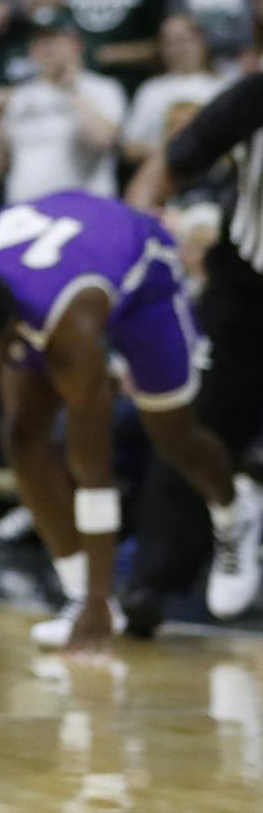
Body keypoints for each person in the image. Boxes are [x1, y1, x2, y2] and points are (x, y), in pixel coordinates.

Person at [0, 191, 257, 651]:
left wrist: (101, 595)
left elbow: (94, 470)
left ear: (9, 333)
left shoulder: (73, 325)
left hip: (141, 274)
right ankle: (77, 594)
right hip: (53, 259)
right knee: (21, 436)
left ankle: (235, 511)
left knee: (173, 436)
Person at [125, 74, 263, 627]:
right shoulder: (254, 95)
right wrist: (135, 227)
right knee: (190, 423)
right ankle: (152, 582)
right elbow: (171, 163)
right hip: (248, 283)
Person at [0, 23, 126, 210]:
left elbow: (106, 140)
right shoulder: (18, 97)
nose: (45, 47)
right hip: (25, 211)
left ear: (76, 45)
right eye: (38, 42)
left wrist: (71, 90)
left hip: (84, 210)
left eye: (53, 40)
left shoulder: (102, 88)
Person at [122, 14, 227, 166]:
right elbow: (129, 148)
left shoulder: (222, 86)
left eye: (182, 40)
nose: (176, 49)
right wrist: (169, 152)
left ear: (201, 41)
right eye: (168, 42)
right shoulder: (151, 89)